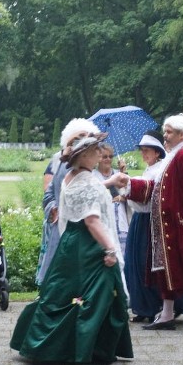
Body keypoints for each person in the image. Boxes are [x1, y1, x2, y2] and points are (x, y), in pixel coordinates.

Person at [10, 132, 133, 364]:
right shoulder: (85, 181)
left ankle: (84, 346)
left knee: (69, 292)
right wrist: (109, 249)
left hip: (72, 243)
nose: (100, 153)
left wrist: (110, 182)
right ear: (84, 155)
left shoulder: (72, 176)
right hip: (89, 245)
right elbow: (92, 220)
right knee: (97, 294)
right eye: (96, 150)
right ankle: (84, 348)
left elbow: (87, 190)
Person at [126, 115, 183, 331]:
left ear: (182, 135)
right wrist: (127, 185)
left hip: (177, 224)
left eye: (169, 132)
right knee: (164, 268)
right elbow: (158, 189)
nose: (165, 136)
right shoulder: (175, 155)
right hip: (165, 224)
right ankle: (167, 314)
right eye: (165, 131)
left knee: (175, 268)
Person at [36, 119, 128, 285]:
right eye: (81, 136)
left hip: (72, 230)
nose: (99, 153)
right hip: (78, 231)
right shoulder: (67, 166)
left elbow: (84, 191)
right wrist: (54, 208)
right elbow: (82, 198)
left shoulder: (77, 169)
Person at [124, 131, 167, 323]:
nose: (143, 154)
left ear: (157, 152)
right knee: (134, 263)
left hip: (150, 222)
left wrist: (129, 186)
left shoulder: (161, 170)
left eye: (147, 150)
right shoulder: (149, 170)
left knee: (145, 264)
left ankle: (152, 307)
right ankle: (140, 307)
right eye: (142, 150)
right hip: (138, 221)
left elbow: (149, 196)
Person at [94, 142, 130, 254]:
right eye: (104, 156)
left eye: (110, 156)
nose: (108, 159)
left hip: (121, 223)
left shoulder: (118, 174)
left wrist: (124, 173)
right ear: (98, 158)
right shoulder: (93, 176)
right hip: (103, 224)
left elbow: (130, 195)